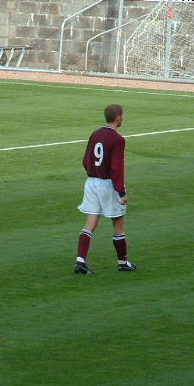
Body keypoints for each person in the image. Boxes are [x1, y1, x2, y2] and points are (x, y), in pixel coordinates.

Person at [74, 104, 136, 274]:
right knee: (118, 223)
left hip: (91, 182)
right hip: (108, 185)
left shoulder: (95, 133)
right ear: (117, 118)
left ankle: (80, 261)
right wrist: (121, 192)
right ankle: (123, 262)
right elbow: (116, 168)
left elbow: (85, 161)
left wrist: (93, 173)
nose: (123, 118)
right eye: (122, 115)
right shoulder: (118, 139)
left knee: (90, 223)